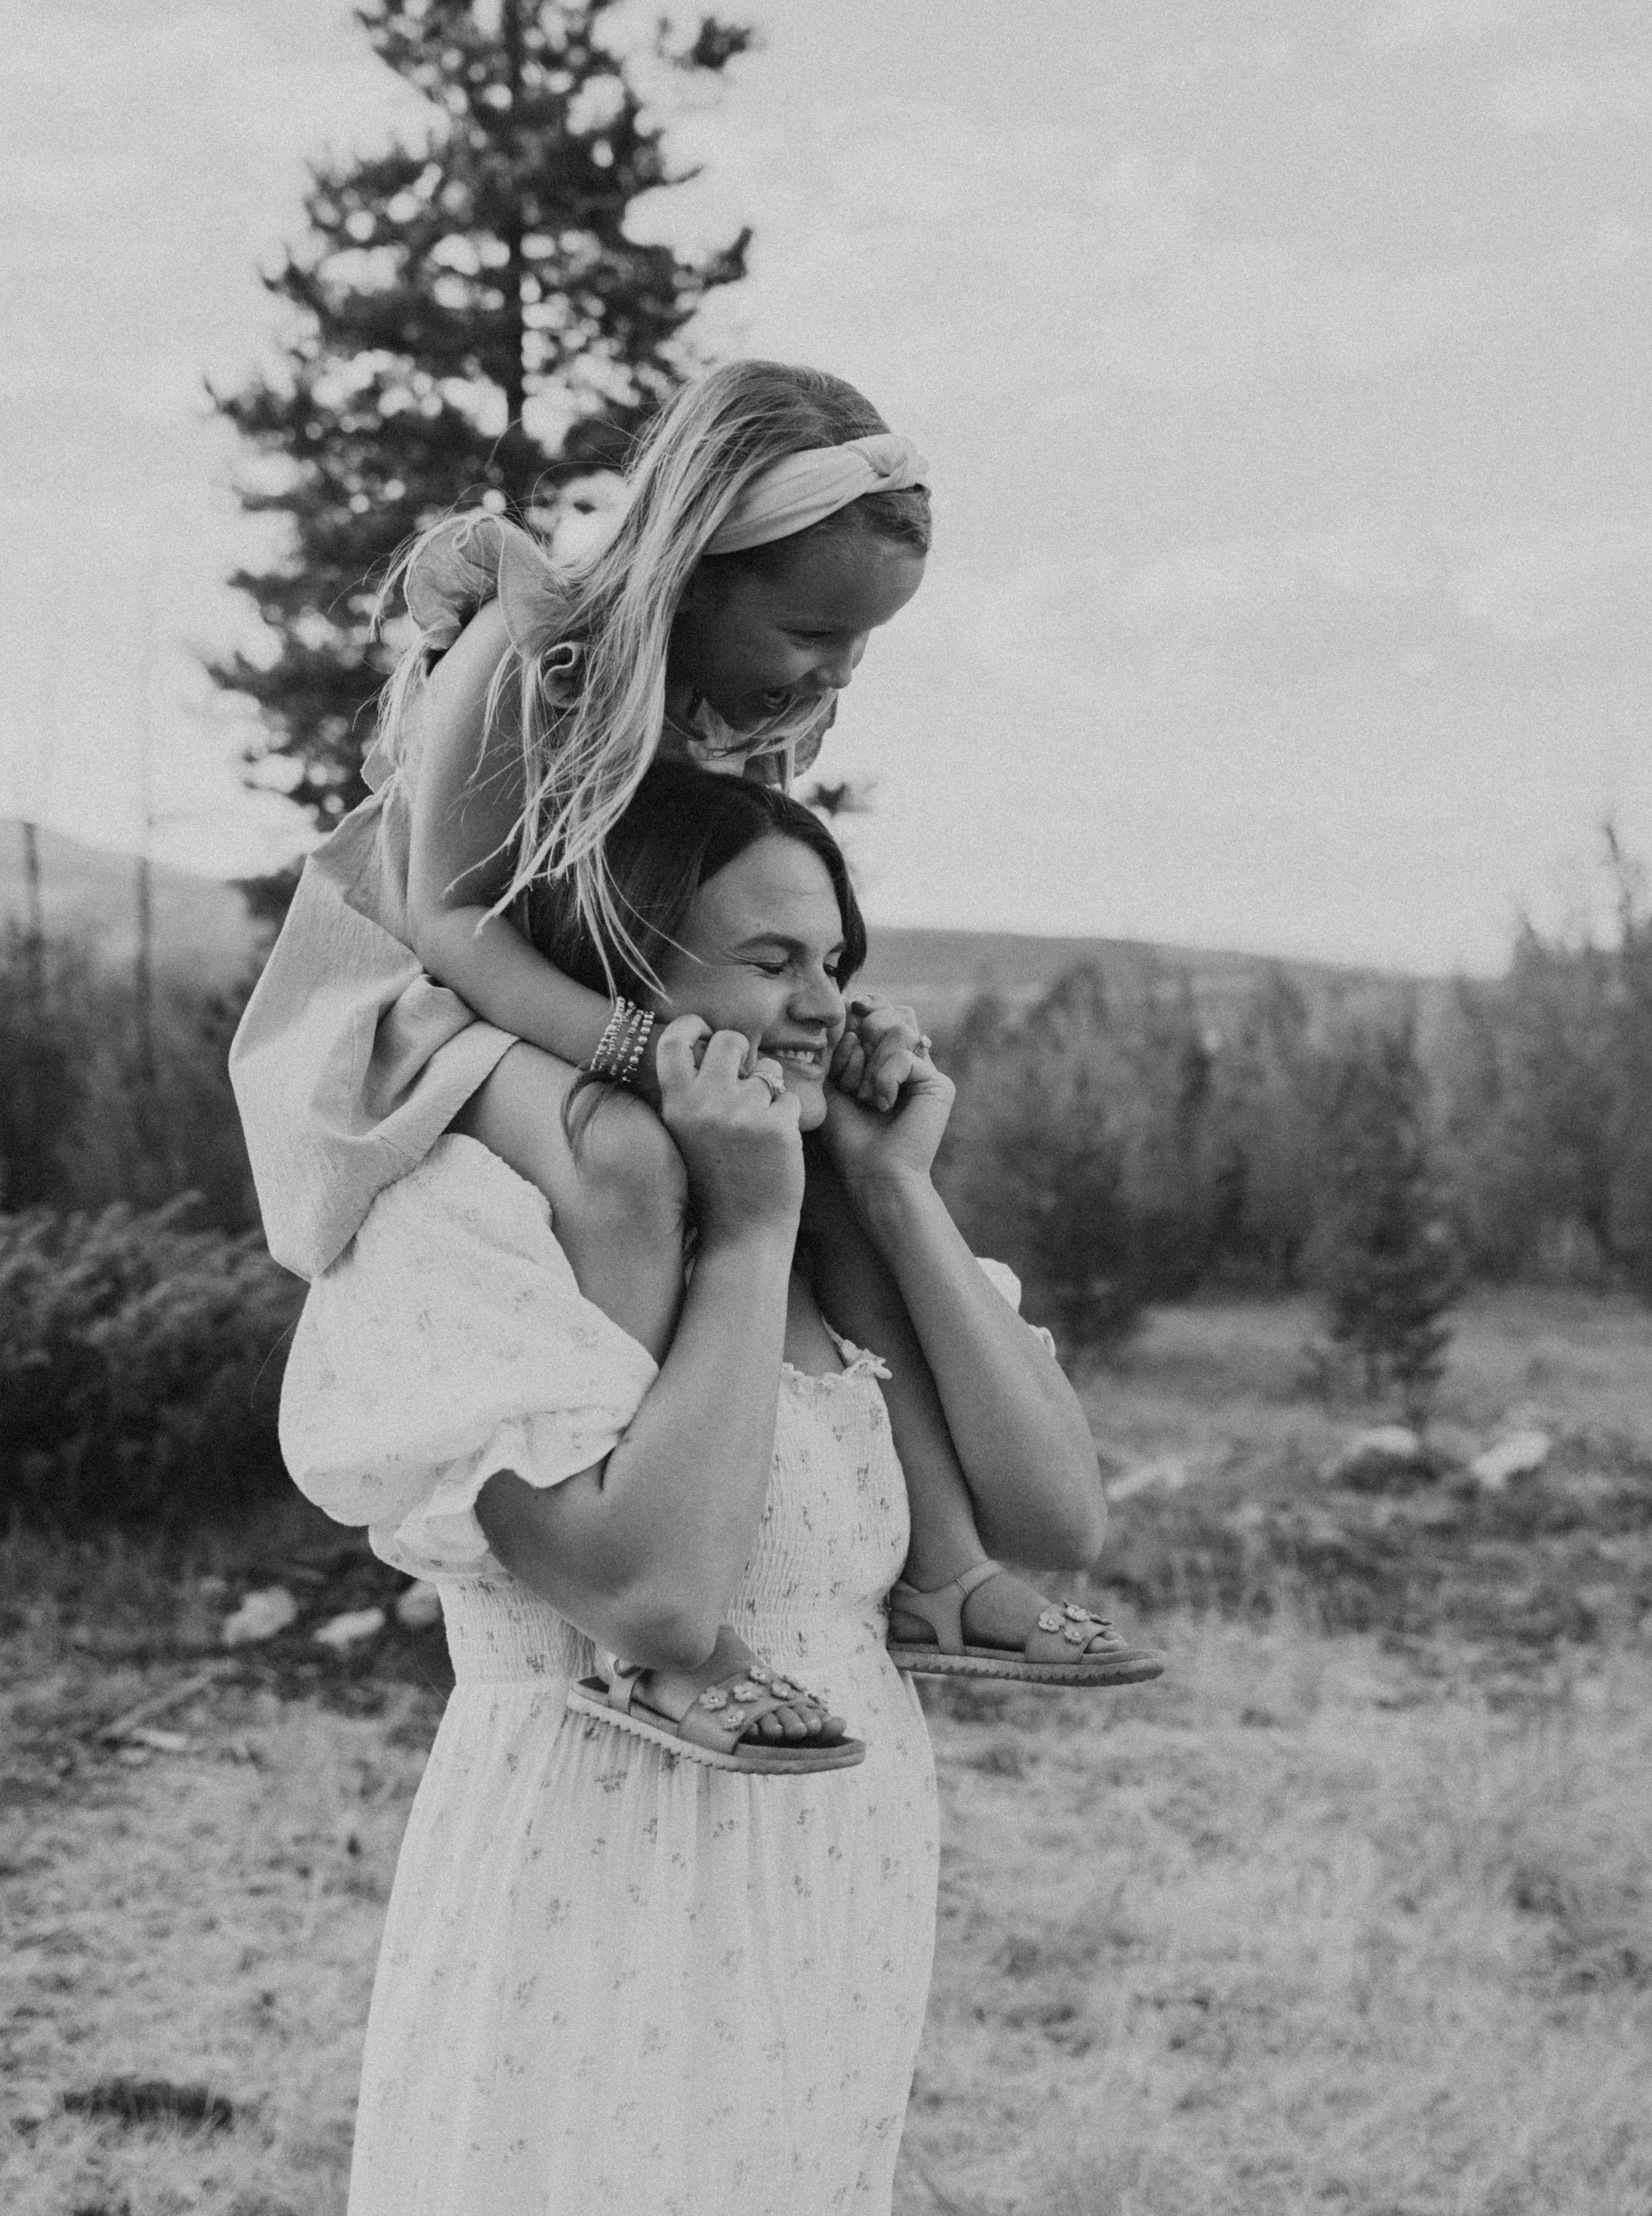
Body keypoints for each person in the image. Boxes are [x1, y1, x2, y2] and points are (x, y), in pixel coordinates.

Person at [235, 358, 1160, 1713]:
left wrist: (808, 1019)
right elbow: (447, 919)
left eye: (862, 644)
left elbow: (731, 886)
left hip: (597, 984)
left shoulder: (757, 702)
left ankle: (942, 1569)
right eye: (809, 633)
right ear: (699, 569)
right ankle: (634, 1597)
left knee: (817, 1151)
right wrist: (628, 1053)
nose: (835, 671)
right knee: (628, 1159)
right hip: (422, 1005)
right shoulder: (533, 650)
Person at [279, 763, 1123, 2213]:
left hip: (834, 1865)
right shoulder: (475, 1228)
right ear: (627, 972)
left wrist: (890, 1191)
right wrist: (742, 1235)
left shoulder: (828, 1227)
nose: (825, 1007)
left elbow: (1058, 1521)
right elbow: (660, 1597)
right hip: (599, 1885)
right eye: (771, 962)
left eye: (836, 964)